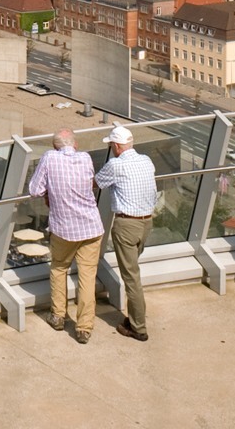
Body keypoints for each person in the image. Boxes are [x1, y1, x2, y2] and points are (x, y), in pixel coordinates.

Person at [26, 127, 103, 343]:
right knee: (87, 276)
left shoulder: (50, 158)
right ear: (75, 145)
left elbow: (34, 189)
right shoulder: (86, 158)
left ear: (54, 146)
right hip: (91, 226)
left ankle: (59, 316)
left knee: (59, 268)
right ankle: (84, 328)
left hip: (65, 228)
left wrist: (49, 192)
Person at [94, 124, 158, 343]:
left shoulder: (116, 164)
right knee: (133, 273)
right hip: (146, 223)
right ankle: (134, 318)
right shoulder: (146, 161)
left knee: (131, 278)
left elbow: (96, 182)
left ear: (117, 146)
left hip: (126, 225)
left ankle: (138, 327)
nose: (111, 148)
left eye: (112, 145)